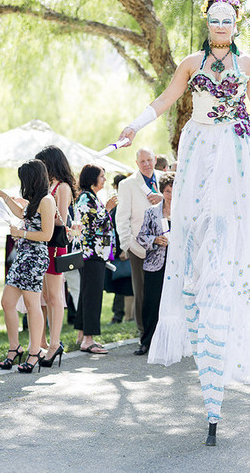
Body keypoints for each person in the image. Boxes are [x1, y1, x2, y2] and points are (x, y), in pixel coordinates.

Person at [116, 0, 250, 445]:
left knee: (226, 232)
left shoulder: (248, 64)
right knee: (193, 234)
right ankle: (197, 305)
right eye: (215, 20)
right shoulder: (191, 63)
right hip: (200, 146)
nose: (221, 27)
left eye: (228, 20)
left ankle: (221, 321)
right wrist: (134, 125)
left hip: (235, 148)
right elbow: (166, 99)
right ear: (207, 22)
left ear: (236, 24)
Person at [0, 160, 56, 373]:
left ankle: (34, 351)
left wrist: (21, 233)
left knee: (32, 304)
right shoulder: (36, 200)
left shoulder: (47, 200)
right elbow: (22, 214)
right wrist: (4, 197)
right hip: (23, 256)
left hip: (35, 257)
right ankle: (15, 348)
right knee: (7, 302)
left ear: (32, 178)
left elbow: (46, 235)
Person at [35, 146, 77, 367]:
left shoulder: (62, 187)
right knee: (46, 296)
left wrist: (40, 215)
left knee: (55, 296)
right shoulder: (50, 186)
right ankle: (45, 343)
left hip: (55, 245)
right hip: (45, 243)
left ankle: (54, 344)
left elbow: (62, 218)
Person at [116, 148, 162, 336]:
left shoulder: (165, 179)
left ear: (155, 159)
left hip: (165, 245)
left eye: (149, 160)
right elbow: (122, 218)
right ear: (136, 163)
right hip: (139, 246)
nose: (146, 164)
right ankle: (144, 333)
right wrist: (128, 245)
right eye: (142, 161)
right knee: (141, 291)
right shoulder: (127, 184)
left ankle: (161, 331)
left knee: (163, 290)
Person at [74, 164, 113, 354]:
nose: (104, 179)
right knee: (93, 295)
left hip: (95, 253)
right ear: (92, 179)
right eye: (102, 176)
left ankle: (82, 334)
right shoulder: (85, 198)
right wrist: (108, 209)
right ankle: (88, 340)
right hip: (91, 253)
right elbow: (90, 225)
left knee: (87, 293)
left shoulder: (90, 196)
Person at [135, 172, 175, 355]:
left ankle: (170, 342)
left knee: (173, 304)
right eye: (167, 191)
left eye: (174, 191)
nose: (171, 195)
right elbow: (141, 236)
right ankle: (147, 342)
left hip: (176, 265)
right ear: (162, 191)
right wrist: (155, 240)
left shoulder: (183, 212)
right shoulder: (152, 212)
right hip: (155, 264)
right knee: (151, 303)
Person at [105, 174, 134, 324]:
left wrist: (125, 249)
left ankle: (125, 315)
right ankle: (119, 314)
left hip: (123, 248)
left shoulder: (126, 202)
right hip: (116, 248)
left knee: (125, 282)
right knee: (119, 281)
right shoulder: (117, 203)